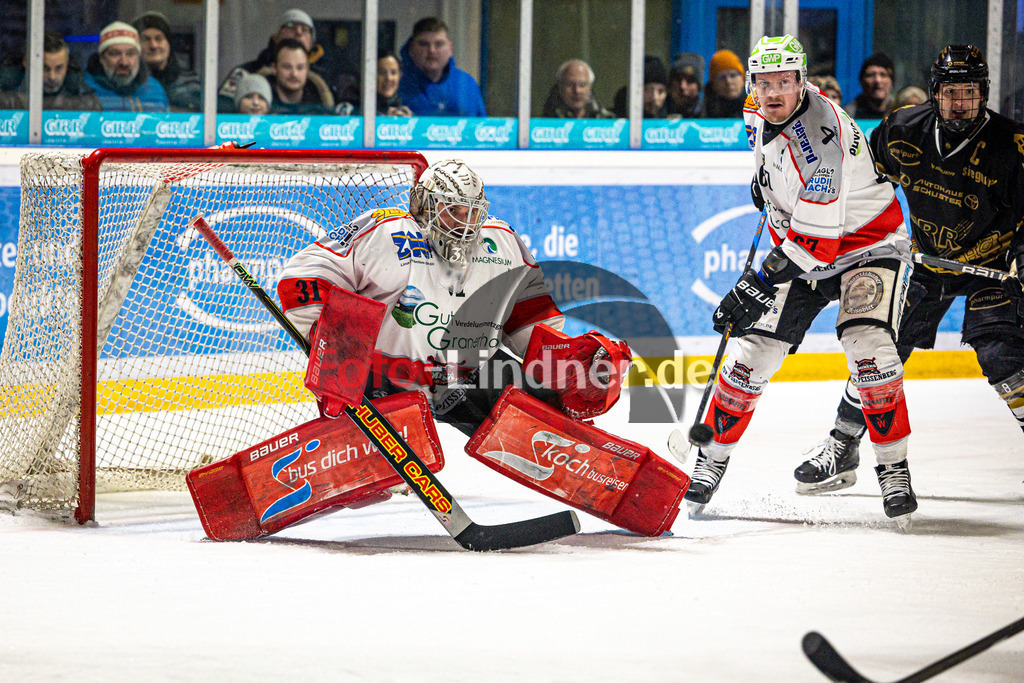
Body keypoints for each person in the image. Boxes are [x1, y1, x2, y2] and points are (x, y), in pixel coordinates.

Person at [687, 35, 917, 524]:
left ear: (802, 81)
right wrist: (766, 187)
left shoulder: (822, 140)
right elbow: (768, 155)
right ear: (752, 84)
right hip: (803, 240)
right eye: (763, 83)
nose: (772, 93)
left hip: (867, 245)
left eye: (784, 83)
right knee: (751, 355)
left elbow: (816, 247)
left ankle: (893, 468)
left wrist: (753, 284)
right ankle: (710, 461)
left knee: (868, 344)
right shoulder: (755, 108)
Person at [795, 45, 1024, 494]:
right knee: (882, 350)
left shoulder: (1012, 145)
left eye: (971, 93)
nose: (961, 104)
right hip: (923, 259)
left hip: (990, 265)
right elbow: (860, 180)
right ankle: (843, 446)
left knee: (1001, 353)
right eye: (952, 93)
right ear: (935, 92)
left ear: (985, 93)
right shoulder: (903, 128)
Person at [218, 9, 352, 111]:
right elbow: (222, 108)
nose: (298, 32)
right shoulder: (246, 73)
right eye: (290, 26)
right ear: (276, 37)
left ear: (312, 42)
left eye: (305, 30)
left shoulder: (328, 77)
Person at [397, 17, 486, 117]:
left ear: (450, 49)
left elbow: (483, 127)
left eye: (439, 44)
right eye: (424, 44)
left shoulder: (466, 84)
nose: (431, 50)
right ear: (411, 48)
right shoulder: (395, 83)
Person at [0, 31, 100, 110]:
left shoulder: (84, 100)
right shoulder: (5, 96)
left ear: (67, 63)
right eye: (44, 68)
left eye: (59, 68)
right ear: (26, 63)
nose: (52, 77)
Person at [84, 21, 169, 112]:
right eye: (115, 54)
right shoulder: (84, 88)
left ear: (138, 57)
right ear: (101, 58)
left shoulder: (154, 90)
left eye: (130, 54)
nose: (124, 62)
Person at [132, 11, 201, 112]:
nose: (153, 46)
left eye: (159, 38)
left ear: (169, 44)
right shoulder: (128, 83)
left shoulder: (190, 81)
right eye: (146, 39)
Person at [266, 39, 334, 115]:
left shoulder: (321, 108)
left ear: (307, 69)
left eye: (300, 67)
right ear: (274, 68)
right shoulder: (258, 105)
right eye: (287, 67)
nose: (294, 74)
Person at [541, 59, 613, 118]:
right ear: (559, 87)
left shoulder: (605, 119)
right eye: (569, 84)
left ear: (590, 87)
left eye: (582, 85)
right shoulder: (546, 120)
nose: (577, 91)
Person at [844, 53, 894, 118]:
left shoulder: (900, 112)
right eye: (871, 75)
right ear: (861, 81)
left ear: (892, 80)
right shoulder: (848, 114)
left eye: (883, 75)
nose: (877, 80)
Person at [703, 49, 746, 118]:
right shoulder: (703, 110)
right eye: (722, 77)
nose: (728, 81)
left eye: (733, 75)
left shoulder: (758, 108)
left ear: (742, 79)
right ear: (713, 83)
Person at [666, 53, 704, 118]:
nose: (682, 86)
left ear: (698, 87)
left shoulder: (707, 113)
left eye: (689, 81)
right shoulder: (657, 112)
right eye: (678, 80)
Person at [377, 50, 411, 116]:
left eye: (393, 73)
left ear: (400, 76)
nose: (389, 78)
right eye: (382, 73)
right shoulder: (357, 112)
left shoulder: (407, 109)